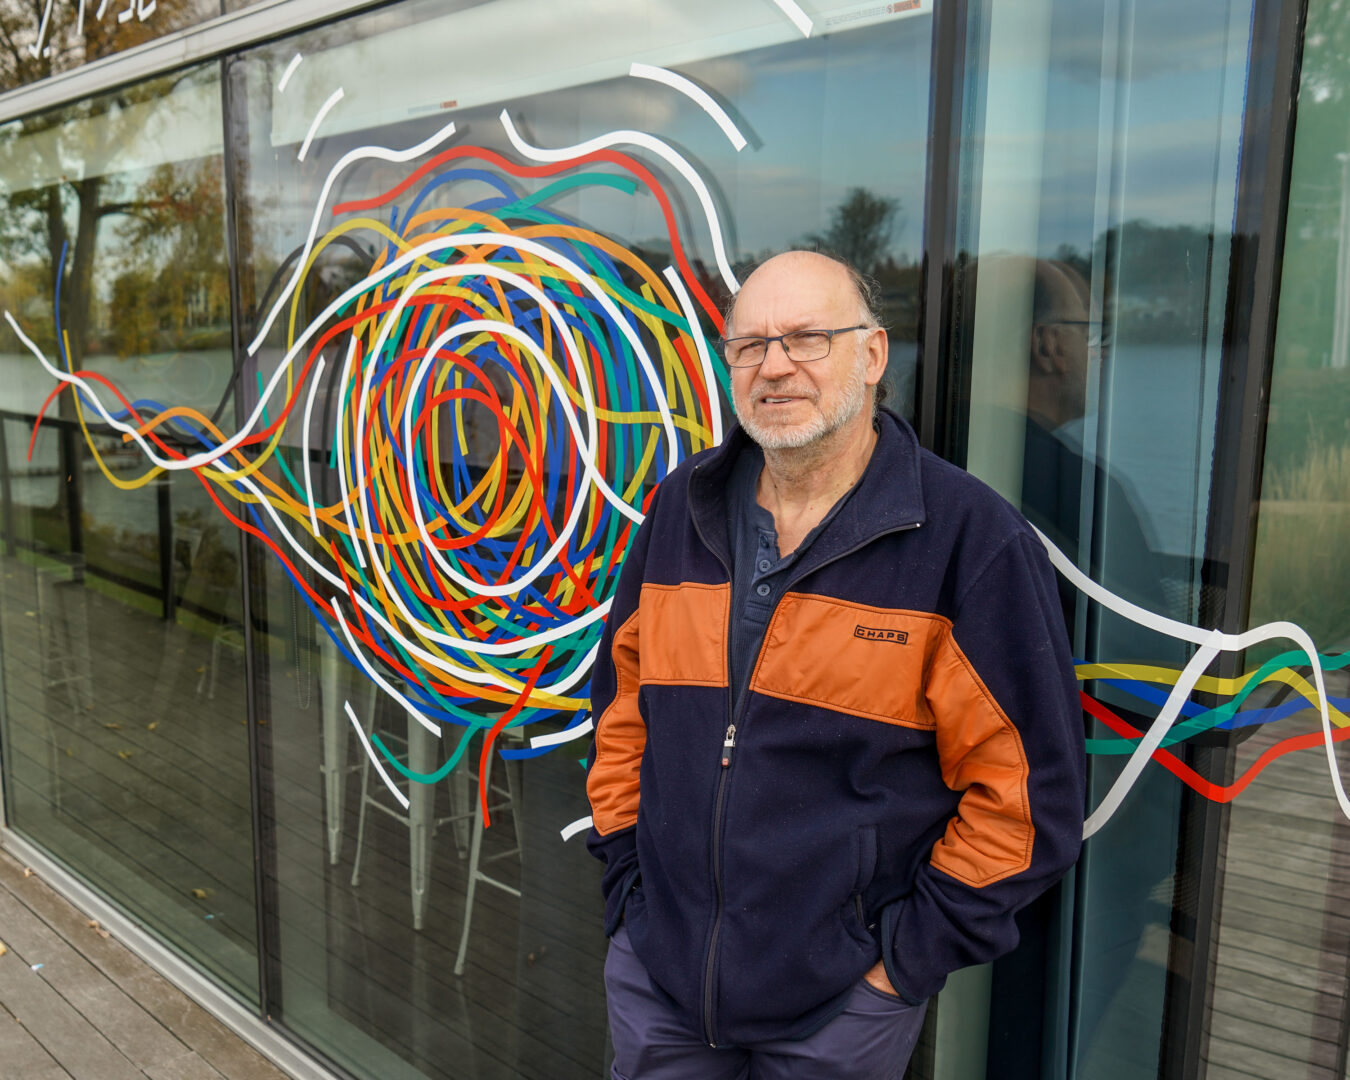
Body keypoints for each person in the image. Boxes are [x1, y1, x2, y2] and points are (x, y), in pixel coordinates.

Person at [586, 250, 1086, 1079]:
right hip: (660, 980)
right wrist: (630, 894)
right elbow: (620, 718)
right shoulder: (682, 510)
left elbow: (1026, 800)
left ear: (874, 355)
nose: (775, 366)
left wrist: (900, 967)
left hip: (839, 1011)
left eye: (808, 338)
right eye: (750, 346)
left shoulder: (968, 541)